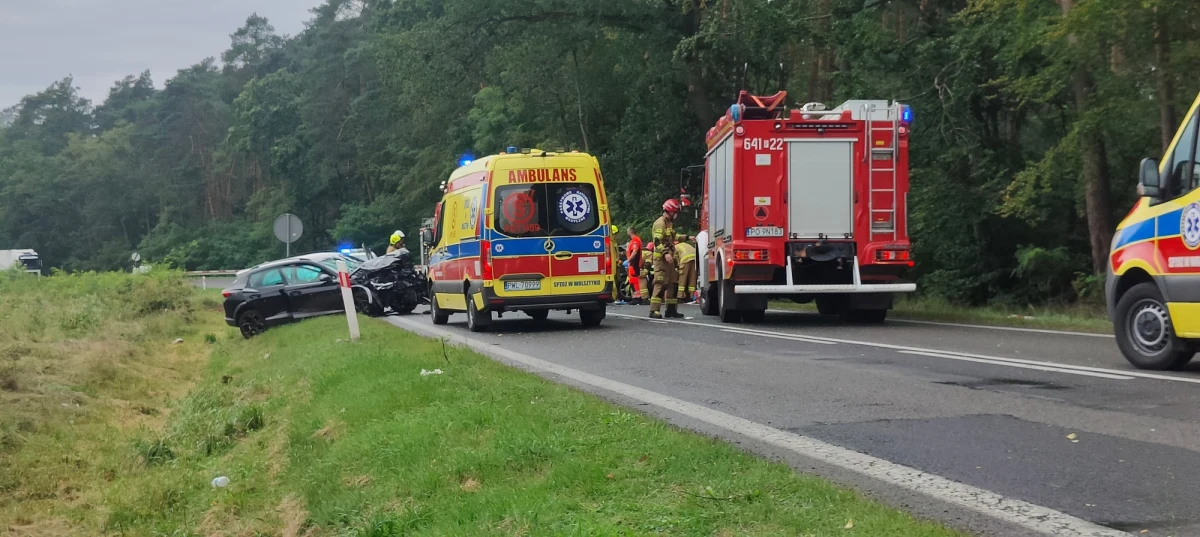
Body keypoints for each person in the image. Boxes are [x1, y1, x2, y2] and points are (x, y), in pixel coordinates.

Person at [649, 199, 683, 319]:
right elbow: (657, 241)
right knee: (660, 283)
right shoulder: (660, 223)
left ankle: (671, 310)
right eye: (675, 212)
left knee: (672, 284)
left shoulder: (669, 223)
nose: (676, 215)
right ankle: (654, 310)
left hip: (669, 260)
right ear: (669, 211)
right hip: (661, 260)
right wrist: (665, 254)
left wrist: (688, 237)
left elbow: (674, 237)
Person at [625, 227, 646, 305]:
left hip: (634, 264)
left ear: (630, 232)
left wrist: (629, 260)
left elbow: (634, 251)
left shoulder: (635, 240)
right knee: (633, 281)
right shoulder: (633, 241)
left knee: (634, 281)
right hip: (633, 264)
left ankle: (637, 298)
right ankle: (636, 297)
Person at [675, 236, 697, 304]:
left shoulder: (675, 247)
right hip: (695, 259)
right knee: (692, 278)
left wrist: (677, 267)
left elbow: (675, 259)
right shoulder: (687, 245)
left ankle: (680, 297)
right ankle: (691, 296)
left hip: (685, 260)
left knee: (683, 278)